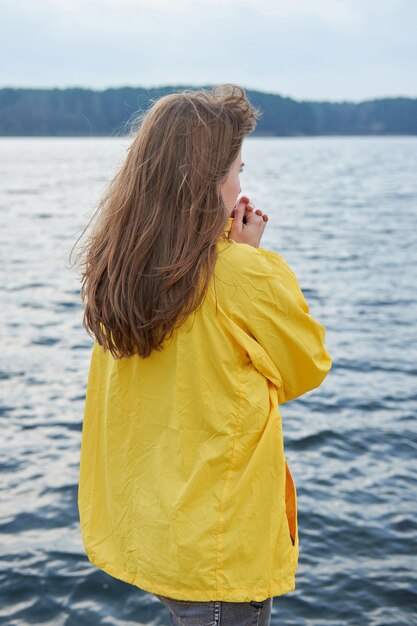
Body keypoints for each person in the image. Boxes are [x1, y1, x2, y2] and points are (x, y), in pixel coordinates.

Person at [75, 84, 332, 626]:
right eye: (237, 168)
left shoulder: (121, 267)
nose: (243, 182)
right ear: (204, 184)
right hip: (219, 548)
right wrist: (247, 260)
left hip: (160, 533)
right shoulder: (236, 274)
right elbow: (306, 365)